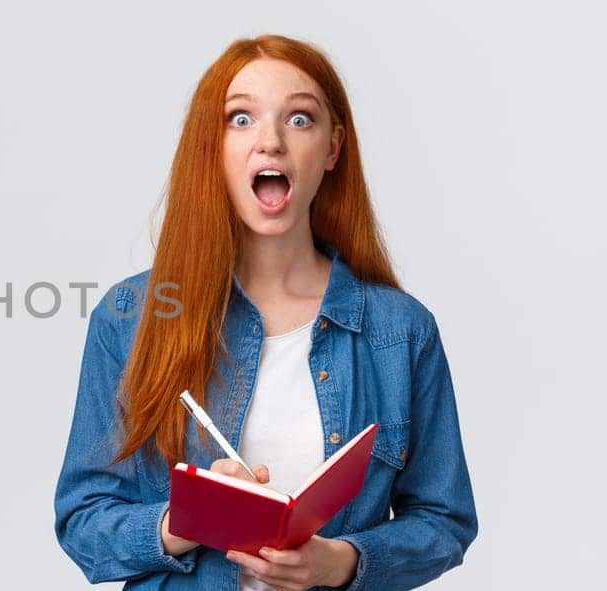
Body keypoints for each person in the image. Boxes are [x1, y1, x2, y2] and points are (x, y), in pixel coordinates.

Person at [53, 35, 477, 591]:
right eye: (241, 119)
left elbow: (445, 522)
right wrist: (187, 519)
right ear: (212, 146)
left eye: (299, 119)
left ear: (332, 149)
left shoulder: (400, 331)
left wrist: (342, 561)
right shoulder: (131, 318)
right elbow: (82, 521)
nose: (271, 142)